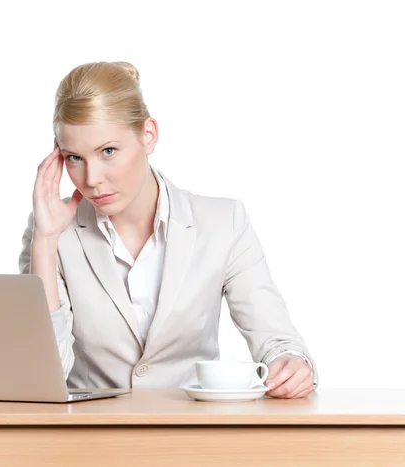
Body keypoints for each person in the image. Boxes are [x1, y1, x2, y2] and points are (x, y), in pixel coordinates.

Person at [19, 61, 317, 399]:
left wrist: (290, 363)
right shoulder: (51, 232)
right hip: (89, 436)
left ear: (149, 135)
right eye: (74, 158)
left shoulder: (223, 223)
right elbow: (41, 379)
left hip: (192, 435)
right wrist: (45, 240)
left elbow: (277, 340)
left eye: (108, 151)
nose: (91, 179)